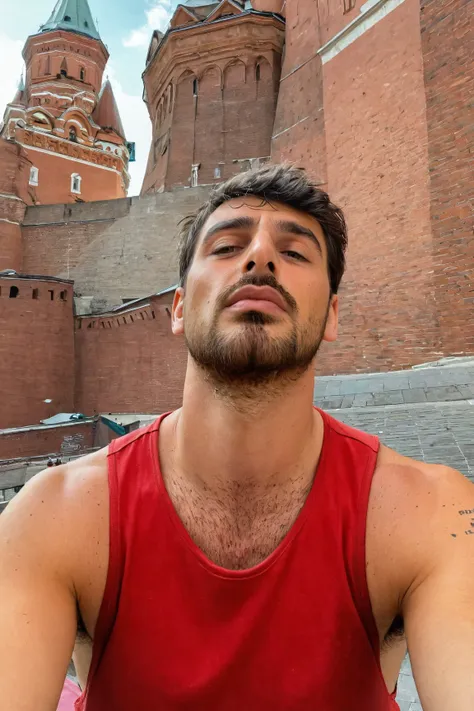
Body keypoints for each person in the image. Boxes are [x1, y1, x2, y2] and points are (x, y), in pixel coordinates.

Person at [0, 164, 473, 711]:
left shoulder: (430, 514)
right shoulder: (56, 516)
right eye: (227, 246)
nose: (260, 258)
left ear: (331, 317)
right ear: (177, 307)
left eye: (294, 254)